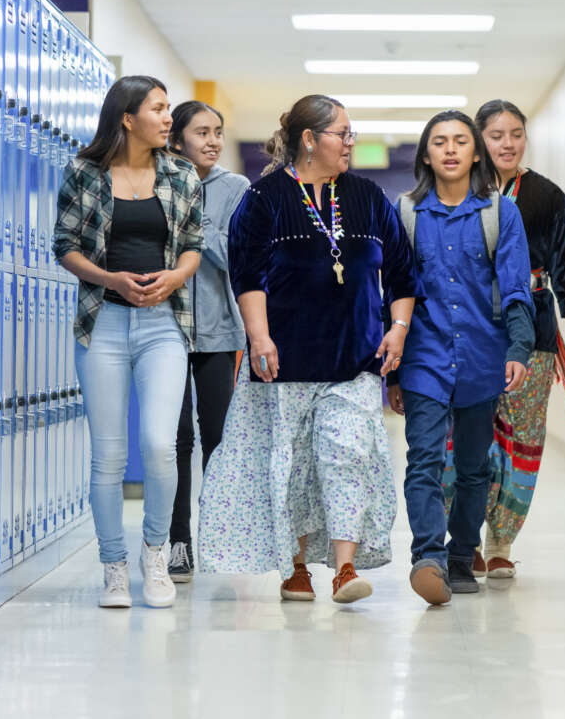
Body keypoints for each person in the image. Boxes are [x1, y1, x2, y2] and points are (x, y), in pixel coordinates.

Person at [197, 95, 421, 604]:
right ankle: (296, 567)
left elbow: (403, 272)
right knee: (294, 465)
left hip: (357, 357)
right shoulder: (266, 198)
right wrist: (259, 336)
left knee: (347, 455)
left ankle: (344, 569)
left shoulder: (367, 196)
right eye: (342, 133)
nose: (350, 142)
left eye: (350, 134)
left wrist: (399, 327)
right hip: (286, 361)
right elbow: (246, 273)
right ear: (308, 140)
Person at [52, 75, 203, 609]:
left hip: (165, 323)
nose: (169, 118)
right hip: (105, 323)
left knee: (162, 447)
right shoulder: (84, 172)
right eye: (159, 109)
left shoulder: (182, 173)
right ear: (127, 117)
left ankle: (155, 553)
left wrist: (175, 277)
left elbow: (192, 245)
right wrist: (110, 278)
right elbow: (64, 245)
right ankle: (114, 567)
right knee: (109, 457)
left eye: (168, 110)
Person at [386, 110, 536, 605]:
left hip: (482, 354)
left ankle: (461, 553)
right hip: (423, 354)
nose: (450, 150)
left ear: (476, 152)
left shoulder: (499, 212)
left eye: (460, 141)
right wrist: (388, 367)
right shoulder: (405, 212)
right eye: (439, 141)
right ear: (426, 154)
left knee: (474, 467)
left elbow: (516, 286)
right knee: (424, 459)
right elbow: (388, 290)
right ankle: (427, 556)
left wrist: (518, 347)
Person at [446, 99, 565, 580]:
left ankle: (501, 541)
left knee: (522, 438)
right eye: (496, 135)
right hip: (468, 328)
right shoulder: (456, 191)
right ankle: (464, 536)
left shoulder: (546, 196)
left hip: (532, 327)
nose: (507, 143)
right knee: (465, 438)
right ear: (477, 140)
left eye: (516, 133)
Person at [165, 100, 250, 583]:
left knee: (218, 438)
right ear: (176, 139)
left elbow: (233, 255)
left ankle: (217, 533)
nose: (214, 141)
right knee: (176, 441)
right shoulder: (155, 179)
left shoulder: (236, 188)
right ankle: (179, 540)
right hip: (166, 329)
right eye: (202, 132)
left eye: (218, 131)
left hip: (220, 330)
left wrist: (194, 219)